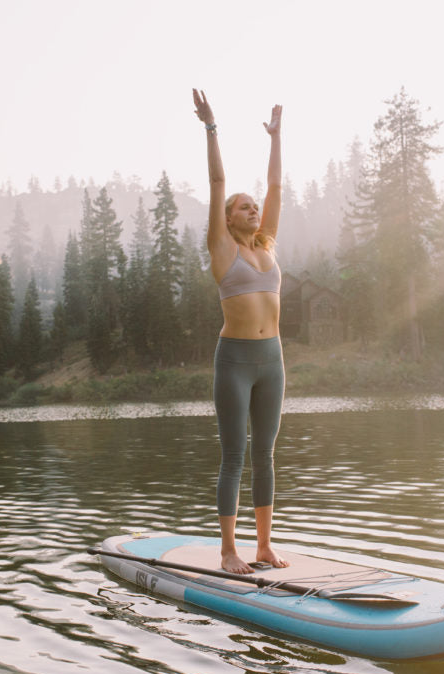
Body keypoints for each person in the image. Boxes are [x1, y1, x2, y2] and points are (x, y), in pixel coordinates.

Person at [193, 88, 289, 575]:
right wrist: (212, 128)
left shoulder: (266, 245)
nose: (253, 210)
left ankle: (264, 546)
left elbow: (275, 188)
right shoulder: (222, 250)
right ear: (228, 219)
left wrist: (276, 137)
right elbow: (217, 181)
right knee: (235, 455)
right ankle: (229, 550)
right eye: (243, 207)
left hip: (271, 360)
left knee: (266, 456)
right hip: (234, 362)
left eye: (254, 207)